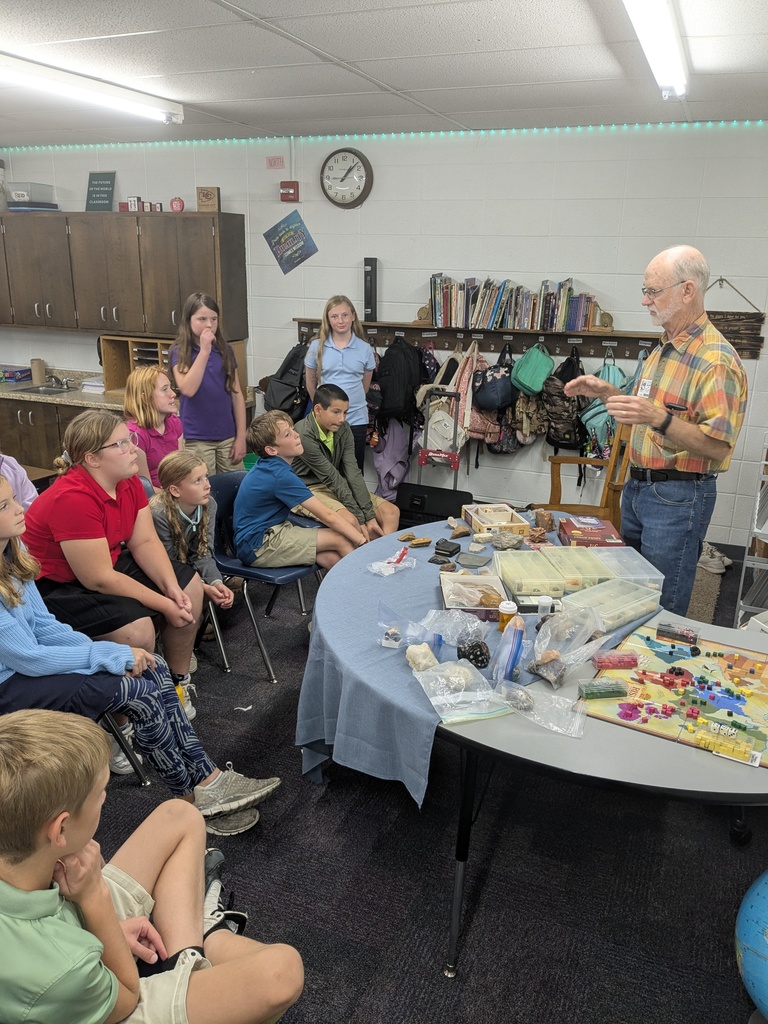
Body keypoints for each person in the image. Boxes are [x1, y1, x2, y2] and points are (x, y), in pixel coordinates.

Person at [0, 479, 280, 835]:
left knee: (155, 667)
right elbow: (29, 658)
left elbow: (44, 625)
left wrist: (104, 651)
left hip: (32, 667)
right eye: (4, 507)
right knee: (137, 693)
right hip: (10, 684)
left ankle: (206, 777)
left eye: (12, 501)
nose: (19, 508)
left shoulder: (11, 553)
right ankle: (190, 803)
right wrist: (106, 654)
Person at [0, 709, 302, 1022]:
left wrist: (110, 931)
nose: (104, 798)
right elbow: (126, 998)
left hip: (64, 923)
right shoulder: (64, 969)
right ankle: (201, 937)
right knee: (282, 972)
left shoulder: (24, 854)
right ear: (60, 830)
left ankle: (184, 957)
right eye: (101, 794)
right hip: (98, 991)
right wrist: (94, 900)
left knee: (180, 815)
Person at [564, 244, 747, 615]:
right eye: (644, 290)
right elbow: (644, 410)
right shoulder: (663, 348)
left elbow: (718, 448)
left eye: (653, 291)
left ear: (687, 291)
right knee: (629, 593)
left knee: (659, 604)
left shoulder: (716, 361)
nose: (645, 300)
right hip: (638, 489)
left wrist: (658, 419)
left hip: (678, 498)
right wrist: (611, 393)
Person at [22, 410, 203, 718]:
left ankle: (176, 683)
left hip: (105, 564)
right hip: (55, 587)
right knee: (136, 632)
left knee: (191, 587)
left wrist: (171, 589)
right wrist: (163, 602)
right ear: (92, 459)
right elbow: (98, 579)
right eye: (120, 443)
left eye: (129, 439)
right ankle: (122, 719)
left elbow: (144, 542)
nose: (133, 448)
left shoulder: (128, 480)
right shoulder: (72, 497)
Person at [234, 410, 366, 571]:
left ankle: (349, 592)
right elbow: (328, 515)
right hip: (258, 545)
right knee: (341, 539)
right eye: (287, 435)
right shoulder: (280, 475)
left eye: (293, 430)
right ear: (272, 450)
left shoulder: (271, 466)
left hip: (268, 533)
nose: (296, 435)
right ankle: (366, 587)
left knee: (331, 556)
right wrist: (361, 541)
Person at [293, 383, 400, 539]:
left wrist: (369, 516)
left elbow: (353, 473)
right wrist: (362, 518)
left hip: (335, 483)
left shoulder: (343, 428)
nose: (342, 419)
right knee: (351, 520)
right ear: (317, 409)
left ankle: (386, 560)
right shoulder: (303, 433)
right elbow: (332, 478)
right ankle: (365, 559)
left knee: (391, 512)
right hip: (308, 489)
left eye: (345, 413)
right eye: (336, 412)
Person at [171, 292, 246, 475]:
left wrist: (241, 437)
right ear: (189, 320)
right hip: (197, 439)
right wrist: (204, 350)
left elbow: (236, 395)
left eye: (214, 319)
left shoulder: (225, 350)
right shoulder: (179, 351)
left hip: (227, 436)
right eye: (202, 319)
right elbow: (188, 389)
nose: (209, 325)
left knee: (236, 485)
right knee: (205, 490)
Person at [150, 450, 235, 613]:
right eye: (197, 481)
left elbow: (203, 554)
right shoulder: (158, 514)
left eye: (206, 476)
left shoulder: (209, 504)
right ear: (175, 491)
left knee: (215, 585)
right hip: (162, 573)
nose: (207, 485)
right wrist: (202, 586)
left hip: (186, 568)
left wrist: (216, 582)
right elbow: (168, 565)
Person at [304, 295, 375, 471]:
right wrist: (322, 407)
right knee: (328, 472)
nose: (340, 321)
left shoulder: (364, 348)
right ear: (328, 319)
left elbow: (365, 386)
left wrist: (349, 405)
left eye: (344, 315)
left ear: (353, 316)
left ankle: (352, 500)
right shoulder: (316, 347)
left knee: (353, 471)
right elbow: (310, 382)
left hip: (356, 418)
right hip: (327, 420)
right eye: (334, 316)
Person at [123, 365, 184, 491]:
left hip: (175, 491)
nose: (173, 394)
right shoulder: (135, 435)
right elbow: (146, 489)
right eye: (164, 389)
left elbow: (181, 469)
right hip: (156, 499)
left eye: (170, 388)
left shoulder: (174, 423)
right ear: (145, 398)